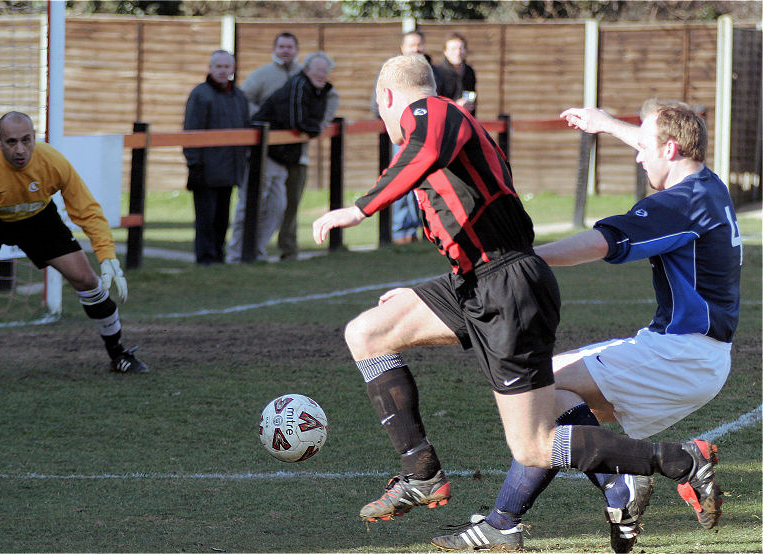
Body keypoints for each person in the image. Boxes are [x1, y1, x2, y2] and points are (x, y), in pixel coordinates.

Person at [312, 55, 723, 551]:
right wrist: (427, 291)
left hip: (506, 284)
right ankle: (420, 472)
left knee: (533, 442)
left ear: (387, 98)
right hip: (476, 279)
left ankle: (678, 461)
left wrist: (359, 208)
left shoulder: (435, 113)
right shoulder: (439, 126)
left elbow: (422, 152)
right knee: (369, 332)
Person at [430, 100, 741, 553]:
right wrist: (606, 125)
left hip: (684, 355)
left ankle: (623, 482)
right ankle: (510, 520)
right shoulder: (706, 183)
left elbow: (601, 243)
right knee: (549, 392)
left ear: (671, 149)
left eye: (645, 145)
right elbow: (651, 142)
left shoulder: (680, 203)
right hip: (687, 351)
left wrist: (519, 261)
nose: (639, 155)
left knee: (538, 396)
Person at [0, 112, 149, 374]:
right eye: (11, 142)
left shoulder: (52, 162)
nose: (20, 149)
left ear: (34, 138)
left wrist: (107, 255)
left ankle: (118, 353)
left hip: (39, 219)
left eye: (27, 140)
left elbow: (87, 210)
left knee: (86, 279)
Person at [238, 32, 339, 261]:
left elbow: (331, 97)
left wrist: (323, 122)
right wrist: (265, 125)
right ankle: (245, 251)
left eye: (290, 47)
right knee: (258, 203)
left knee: (287, 205)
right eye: (281, 46)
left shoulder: (309, 77)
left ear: (296, 50)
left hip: (296, 152)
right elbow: (244, 100)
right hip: (268, 150)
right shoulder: (261, 75)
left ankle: (287, 250)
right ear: (274, 48)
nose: (285, 50)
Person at [369, 30, 436, 245]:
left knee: (427, 183)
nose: (416, 49)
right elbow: (376, 104)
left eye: (419, 45)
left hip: (429, 136)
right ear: (402, 48)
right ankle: (401, 233)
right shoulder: (391, 73)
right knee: (402, 181)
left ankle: (426, 231)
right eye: (411, 45)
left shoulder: (432, 71)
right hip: (403, 137)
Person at [183, 49, 249, 265]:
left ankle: (219, 255)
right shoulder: (200, 94)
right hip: (206, 170)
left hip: (230, 170)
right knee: (205, 219)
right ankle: (205, 258)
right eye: (218, 66)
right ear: (210, 68)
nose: (223, 71)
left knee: (222, 219)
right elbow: (191, 131)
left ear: (233, 68)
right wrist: (195, 165)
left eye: (227, 66)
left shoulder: (238, 96)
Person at [433, 32, 476, 116]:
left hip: (466, 119)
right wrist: (455, 105)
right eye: (453, 49)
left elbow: (472, 96)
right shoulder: (437, 72)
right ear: (445, 52)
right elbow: (435, 102)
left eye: (461, 48)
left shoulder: (469, 71)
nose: (458, 53)